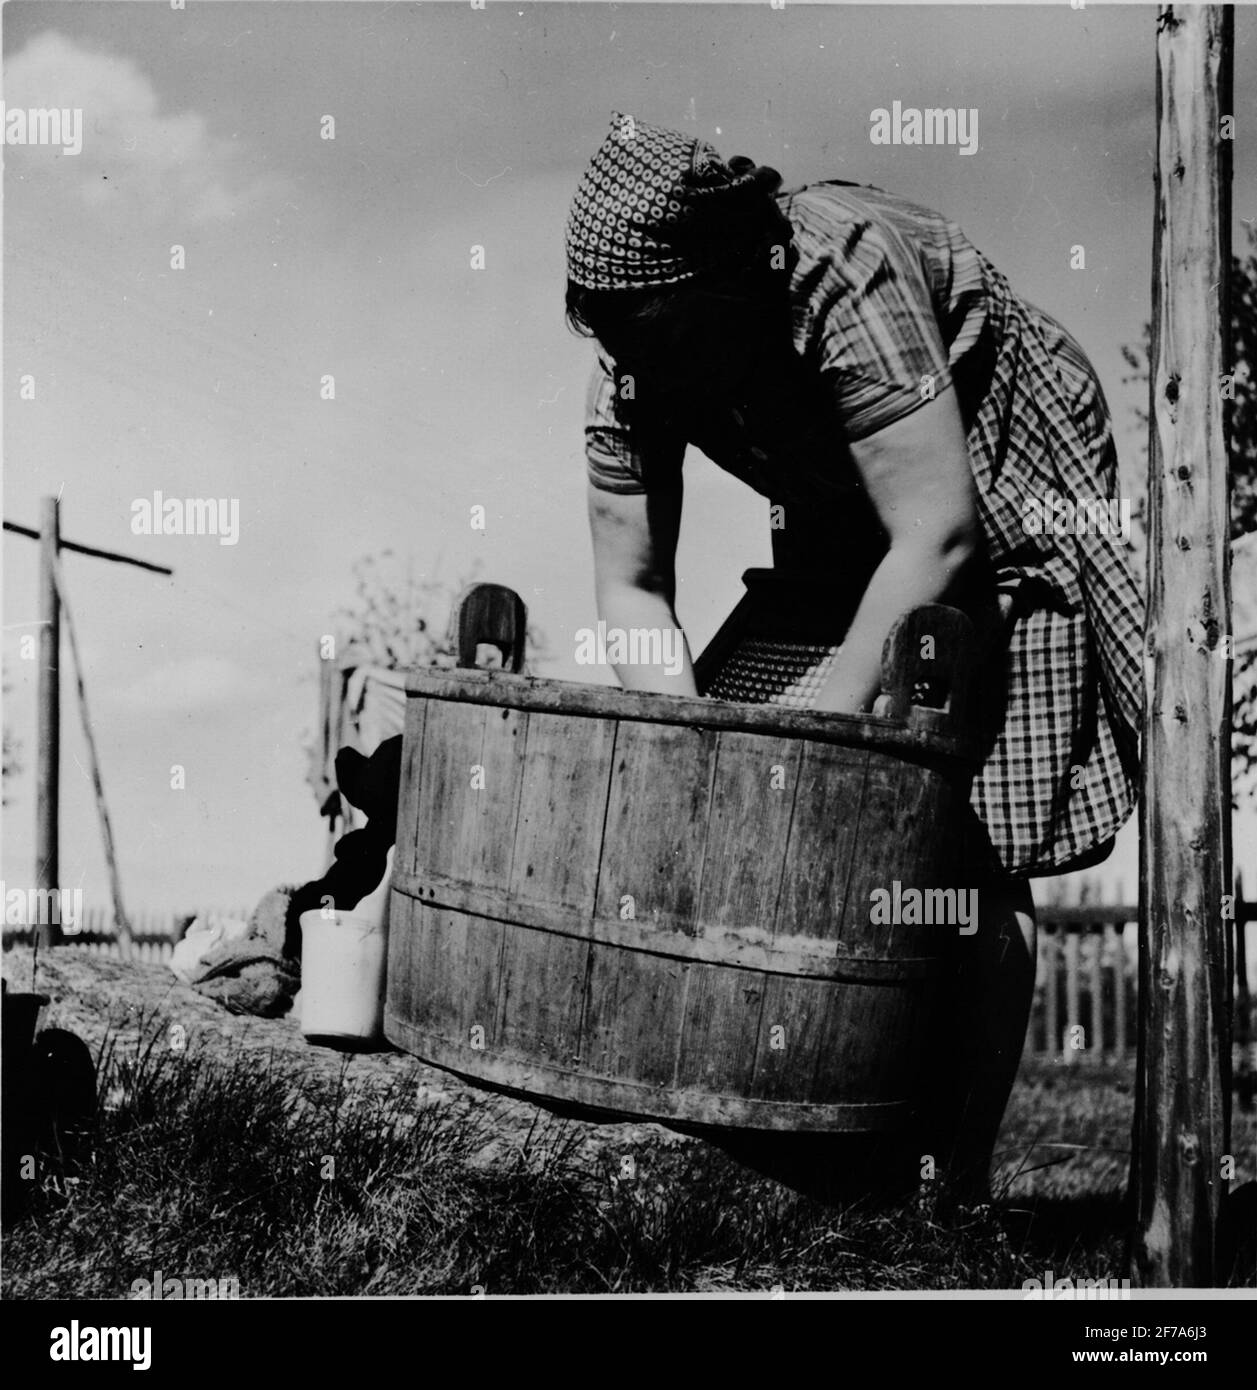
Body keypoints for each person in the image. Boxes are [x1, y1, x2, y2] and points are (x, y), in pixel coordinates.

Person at [565, 113, 1143, 1201]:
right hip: (838, 500)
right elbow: (632, 588)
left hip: (998, 467)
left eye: (666, 331)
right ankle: (808, 1143)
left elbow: (937, 532)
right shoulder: (631, 363)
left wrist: (822, 740)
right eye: (620, 338)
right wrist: (702, 749)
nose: (644, 365)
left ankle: (950, 1178)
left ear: (728, 281)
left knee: (965, 834)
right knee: (745, 782)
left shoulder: (841, 275)